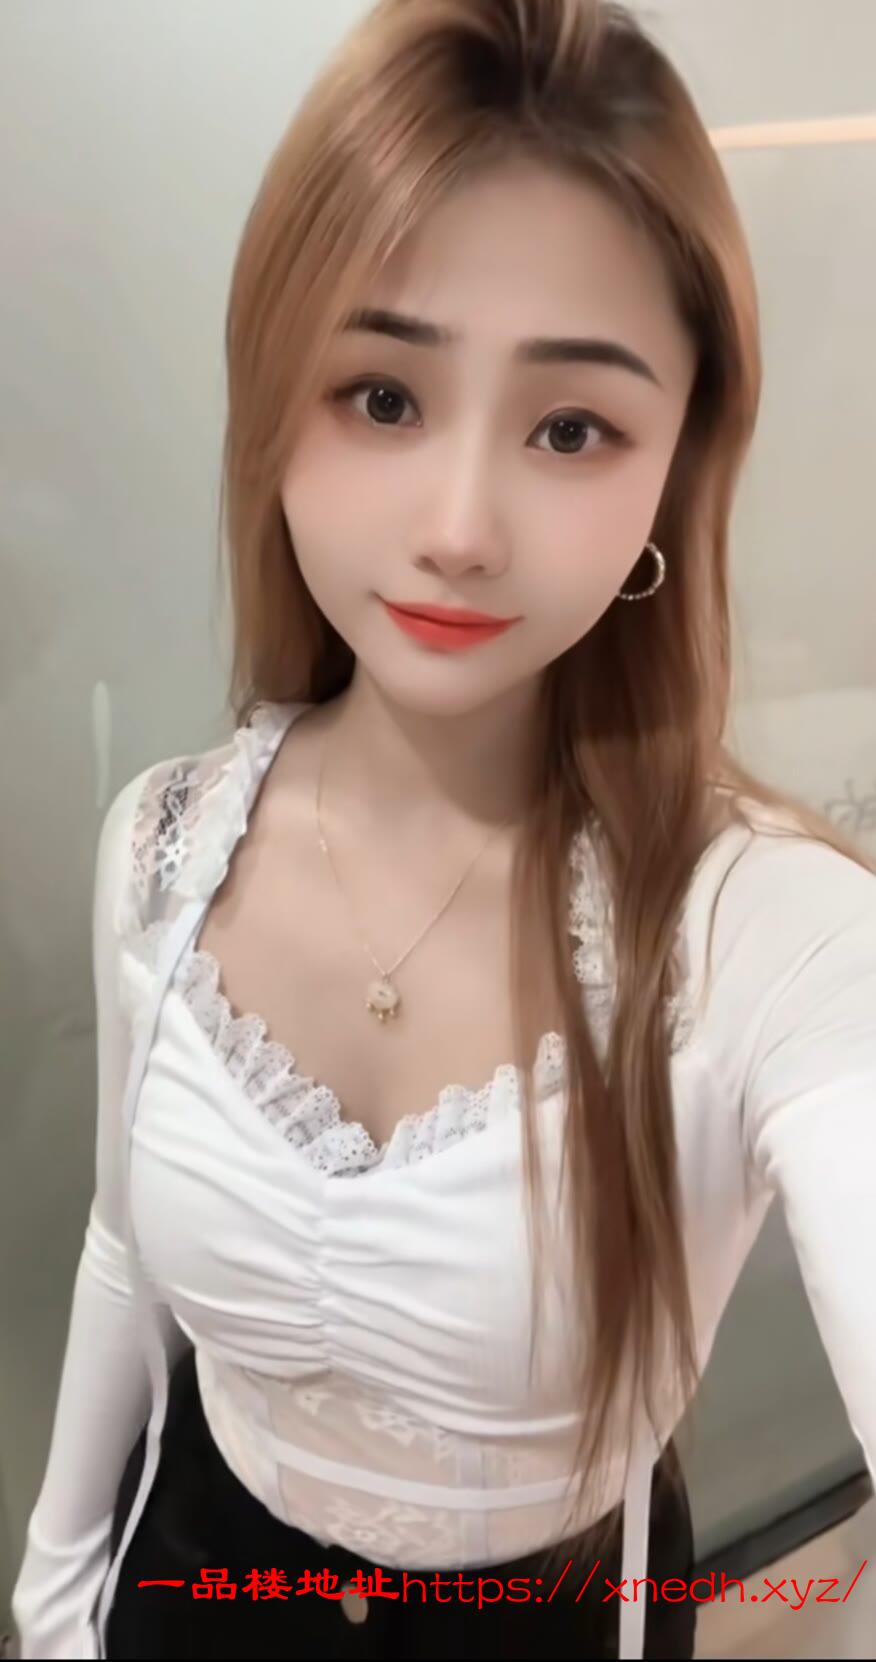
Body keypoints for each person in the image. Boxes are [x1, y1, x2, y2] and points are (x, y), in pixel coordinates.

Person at [11, 1, 876, 1658]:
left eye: (571, 427)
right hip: (195, 1579)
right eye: (382, 396)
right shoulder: (164, 846)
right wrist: (53, 1598)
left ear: (677, 462)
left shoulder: (761, 933)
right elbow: (125, 1253)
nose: (461, 528)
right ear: (274, 394)